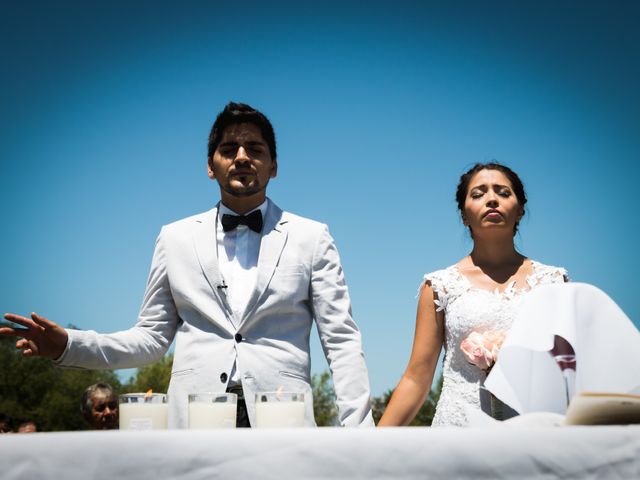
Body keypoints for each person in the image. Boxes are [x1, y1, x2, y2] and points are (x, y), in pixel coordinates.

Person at [1, 102, 374, 428]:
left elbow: (340, 341)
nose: (242, 156)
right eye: (229, 149)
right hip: (195, 423)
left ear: (273, 166)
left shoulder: (313, 236)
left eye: (255, 149)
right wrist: (69, 344)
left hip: (283, 419)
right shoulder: (173, 238)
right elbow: (150, 339)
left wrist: (360, 432)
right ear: (211, 166)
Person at [378, 162, 568, 427]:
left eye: (503, 192)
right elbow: (416, 379)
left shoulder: (554, 283)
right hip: (458, 431)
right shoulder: (440, 286)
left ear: (521, 210)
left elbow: (569, 370)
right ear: (464, 215)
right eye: (478, 194)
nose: (491, 199)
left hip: (536, 431)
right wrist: (371, 448)